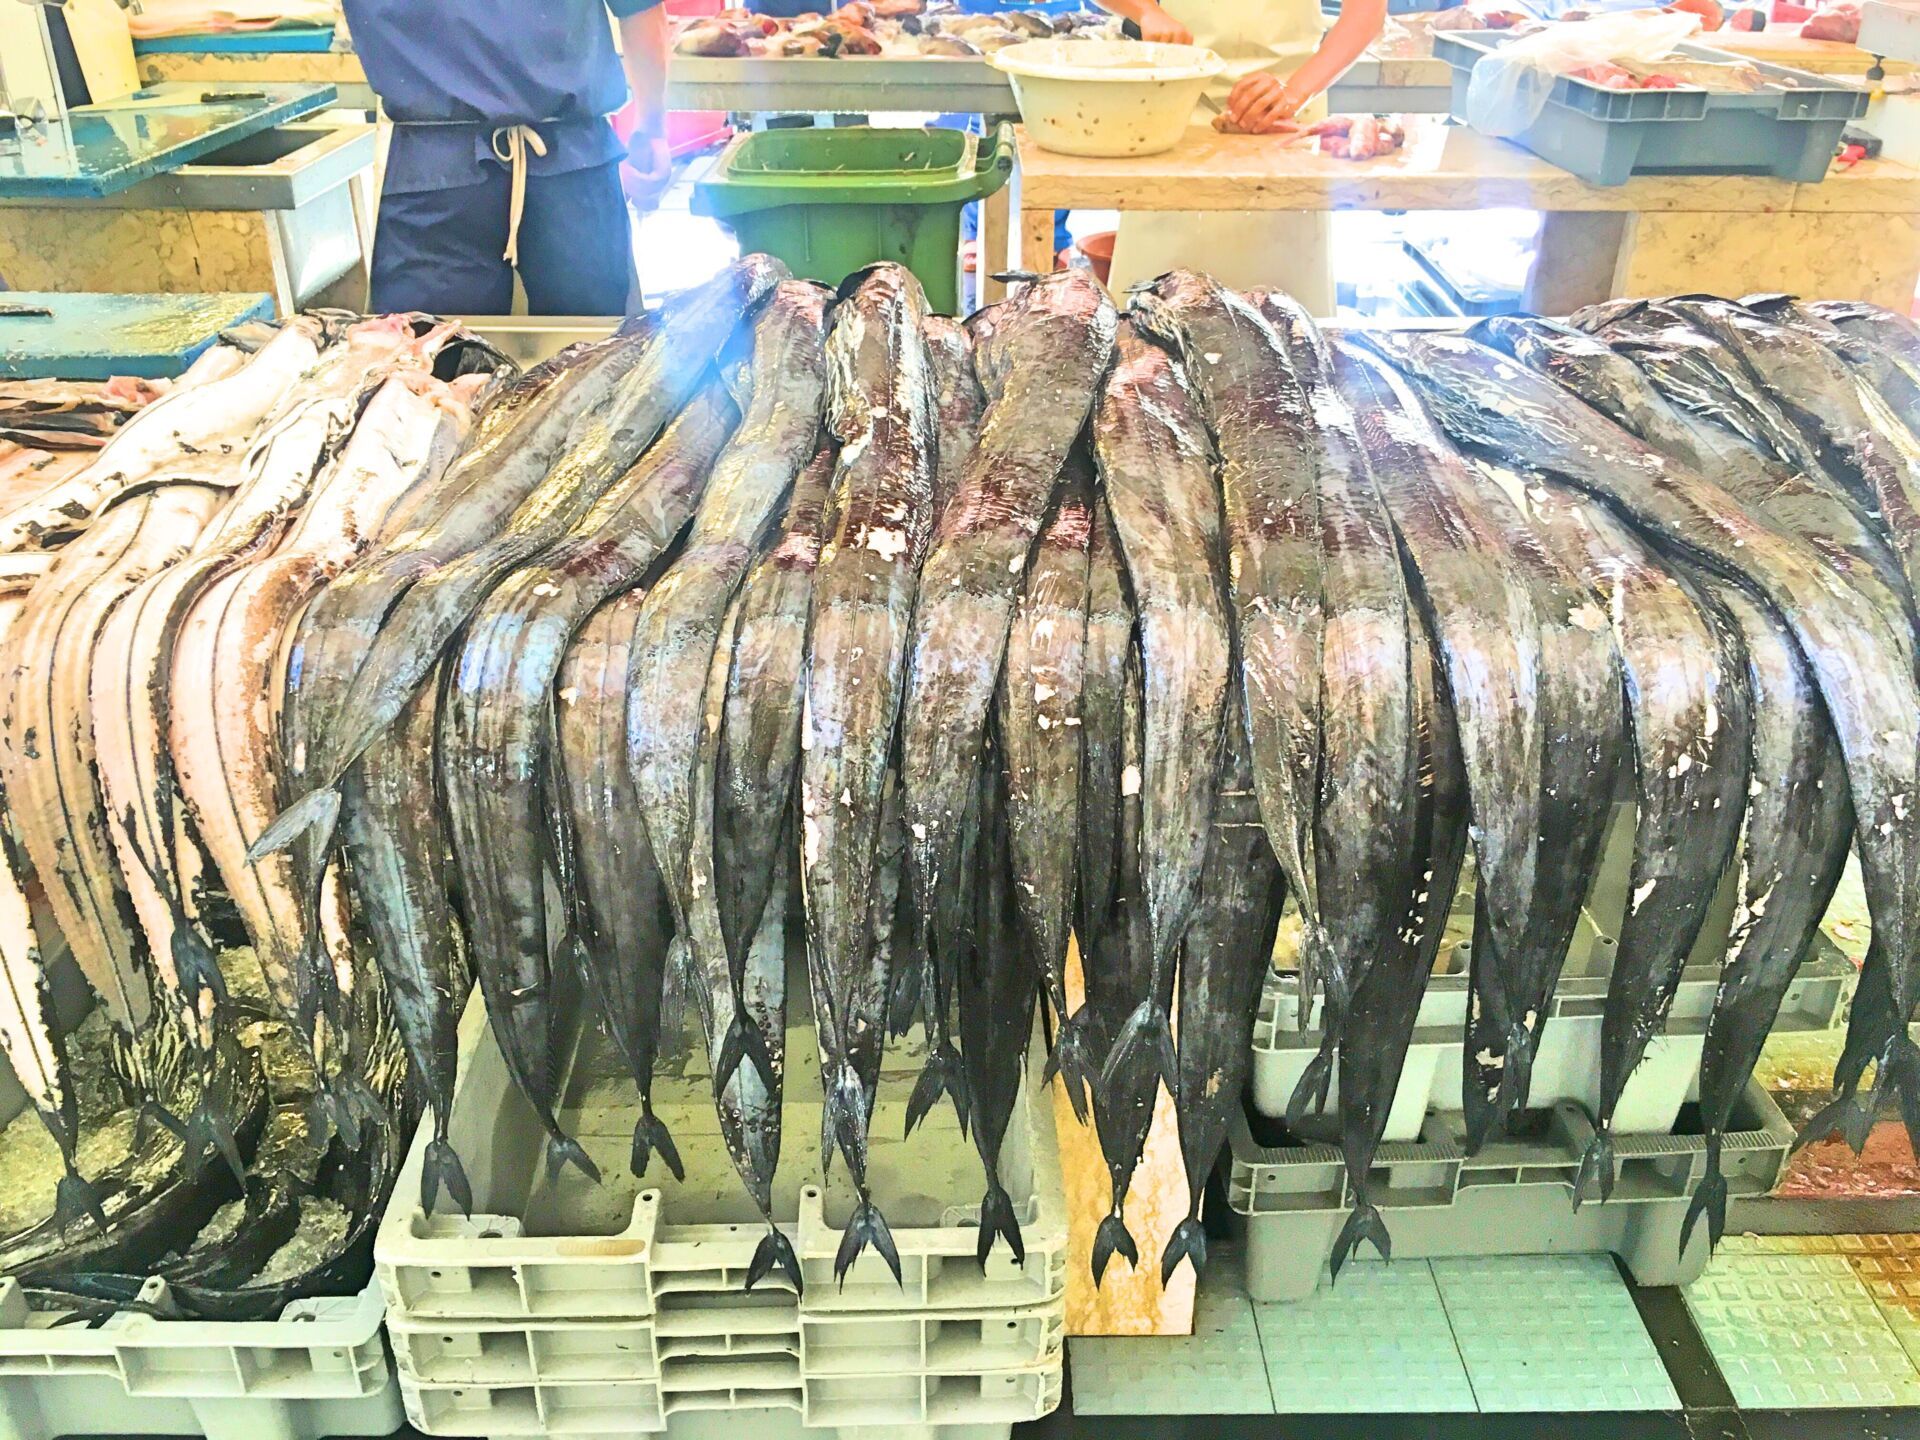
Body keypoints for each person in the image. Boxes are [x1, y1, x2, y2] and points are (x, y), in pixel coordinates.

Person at [342, 0, 675, 317]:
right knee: (591, 356)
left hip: (435, 170)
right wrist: (651, 128)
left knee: (430, 357)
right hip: (571, 164)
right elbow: (642, 13)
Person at [1096, 0, 1388, 312]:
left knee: (1287, 328)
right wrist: (1145, 10)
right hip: (1176, 107)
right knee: (1153, 332)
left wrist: (1295, 91)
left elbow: (1367, 12)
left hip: (1285, 124)